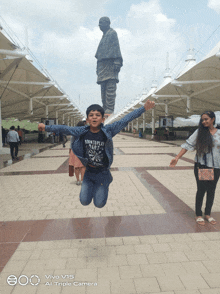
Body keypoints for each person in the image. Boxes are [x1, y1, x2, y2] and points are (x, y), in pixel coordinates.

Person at [38, 100, 155, 208]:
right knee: (84, 201)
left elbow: (125, 120)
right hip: (89, 172)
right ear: (87, 120)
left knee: (99, 204)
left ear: (102, 119)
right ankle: (93, 188)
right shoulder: (82, 131)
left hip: (103, 173)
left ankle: (104, 185)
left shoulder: (109, 130)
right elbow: (65, 129)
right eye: (91, 115)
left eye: (97, 115)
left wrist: (143, 108)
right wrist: (46, 127)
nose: (94, 117)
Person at [169, 111, 220, 226]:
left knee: (211, 191)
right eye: (202, 120)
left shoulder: (219, 133)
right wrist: (177, 157)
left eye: (206, 119)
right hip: (203, 166)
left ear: (213, 119)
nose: (204, 121)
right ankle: (198, 214)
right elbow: (188, 145)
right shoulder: (200, 132)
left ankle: (207, 214)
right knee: (202, 190)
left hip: (216, 166)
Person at [95, 17, 123, 114]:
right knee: (103, 89)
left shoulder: (112, 33)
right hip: (102, 66)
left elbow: (116, 48)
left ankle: (110, 109)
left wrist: (117, 61)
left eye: (101, 23)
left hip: (110, 65)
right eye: (99, 23)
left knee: (110, 88)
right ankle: (105, 108)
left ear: (108, 23)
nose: (100, 25)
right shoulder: (103, 36)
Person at [69, 121, 86, 185]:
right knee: (83, 166)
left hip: (74, 151)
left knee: (76, 166)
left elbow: (71, 143)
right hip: (82, 151)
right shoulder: (85, 132)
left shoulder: (74, 133)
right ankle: (82, 180)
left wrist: (70, 151)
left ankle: (78, 180)